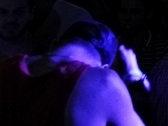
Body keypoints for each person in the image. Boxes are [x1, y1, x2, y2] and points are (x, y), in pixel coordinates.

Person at [0, 20, 145, 125]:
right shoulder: (102, 81)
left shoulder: (7, 66)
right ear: (104, 67)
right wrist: (134, 73)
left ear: (55, 44)